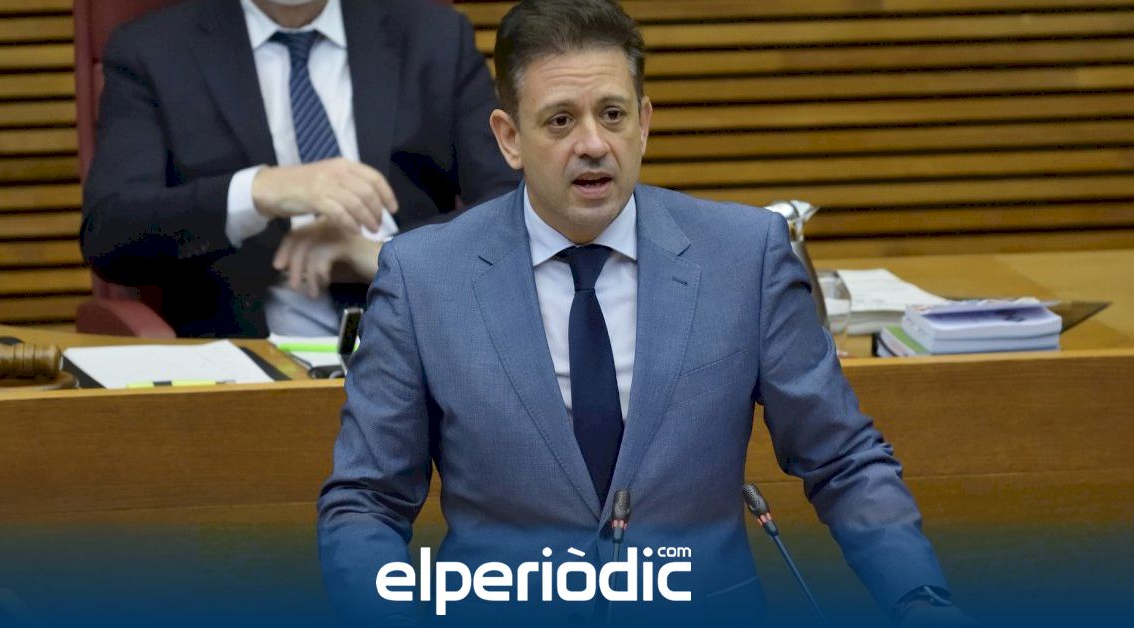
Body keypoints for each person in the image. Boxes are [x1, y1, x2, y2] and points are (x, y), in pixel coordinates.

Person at [318, 0, 970, 625]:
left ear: (645, 122)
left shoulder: (745, 257)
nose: (593, 144)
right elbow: (367, 501)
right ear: (509, 139)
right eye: (560, 121)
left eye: (612, 114)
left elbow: (844, 459)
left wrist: (920, 599)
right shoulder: (425, 278)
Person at [80, 0, 518, 337]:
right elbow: (111, 232)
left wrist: (387, 256)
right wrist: (258, 191)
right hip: (249, 369)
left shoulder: (433, 37)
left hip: (425, 349)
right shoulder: (153, 52)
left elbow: (514, 203)